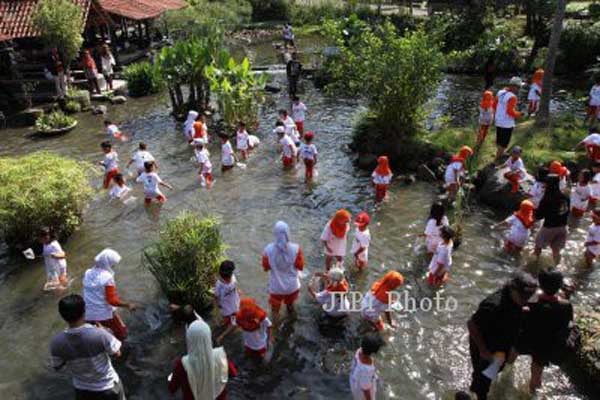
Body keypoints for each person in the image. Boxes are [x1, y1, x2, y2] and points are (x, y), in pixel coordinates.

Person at [467, 272, 538, 400]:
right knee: (482, 380)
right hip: (487, 349)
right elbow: (471, 324)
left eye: (528, 296)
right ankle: (477, 394)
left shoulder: (519, 301)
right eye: (523, 296)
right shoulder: (493, 305)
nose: (525, 300)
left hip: (503, 346)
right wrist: (483, 350)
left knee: (494, 371)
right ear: (512, 288)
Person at [50, 294, 125, 400]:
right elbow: (117, 353)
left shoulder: (56, 342)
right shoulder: (100, 334)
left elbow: (57, 366)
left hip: (82, 390)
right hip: (107, 387)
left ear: (62, 316)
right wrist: (106, 331)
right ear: (84, 311)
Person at [516, 270, 573, 394]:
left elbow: (522, 316)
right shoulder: (566, 306)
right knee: (536, 375)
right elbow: (568, 323)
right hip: (546, 346)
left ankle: (507, 369)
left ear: (540, 285)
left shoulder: (531, 303)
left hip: (527, 340)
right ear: (559, 286)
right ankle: (533, 394)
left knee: (512, 352)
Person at [168, 318, 236, 400]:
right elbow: (233, 373)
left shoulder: (182, 365)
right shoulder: (220, 356)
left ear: (189, 339)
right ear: (208, 337)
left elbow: (172, 388)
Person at [83, 249, 136, 341]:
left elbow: (96, 294)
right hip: (102, 314)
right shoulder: (107, 277)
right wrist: (128, 305)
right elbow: (112, 301)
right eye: (113, 264)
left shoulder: (88, 272)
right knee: (122, 334)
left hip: (87, 314)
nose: (114, 266)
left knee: (99, 336)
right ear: (107, 263)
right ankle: (120, 351)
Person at [262, 221, 305, 323]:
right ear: (287, 233)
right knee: (290, 306)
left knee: (275, 311)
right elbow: (300, 266)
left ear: (275, 233)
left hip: (276, 288)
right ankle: (292, 322)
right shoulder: (296, 248)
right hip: (292, 287)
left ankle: (275, 331)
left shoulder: (268, 249)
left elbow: (266, 268)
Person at [534, 175, 570, 265]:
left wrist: (535, 209)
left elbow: (538, 216)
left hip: (549, 228)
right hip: (563, 228)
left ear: (549, 184)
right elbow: (566, 211)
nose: (544, 185)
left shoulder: (547, 199)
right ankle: (556, 269)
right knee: (556, 250)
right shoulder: (565, 197)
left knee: (538, 247)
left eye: (546, 183)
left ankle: (532, 267)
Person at [493, 77, 523, 161]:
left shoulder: (500, 92)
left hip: (498, 121)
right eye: (519, 87)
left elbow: (494, 105)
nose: (519, 89)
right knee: (504, 143)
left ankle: (499, 154)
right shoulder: (513, 97)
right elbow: (510, 112)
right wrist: (519, 114)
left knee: (499, 140)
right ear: (515, 87)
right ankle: (497, 160)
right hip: (507, 124)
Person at [349, 333, 384, 400]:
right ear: (374, 352)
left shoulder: (359, 350)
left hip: (355, 381)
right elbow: (366, 389)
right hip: (362, 392)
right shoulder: (367, 369)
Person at [215, 260, 240, 326]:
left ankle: (229, 323)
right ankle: (232, 323)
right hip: (233, 303)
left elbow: (217, 296)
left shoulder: (219, 284)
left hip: (228, 306)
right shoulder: (233, 278)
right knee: (232, 317)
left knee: (229, 318)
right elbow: (236, 288)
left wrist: (217, 305)